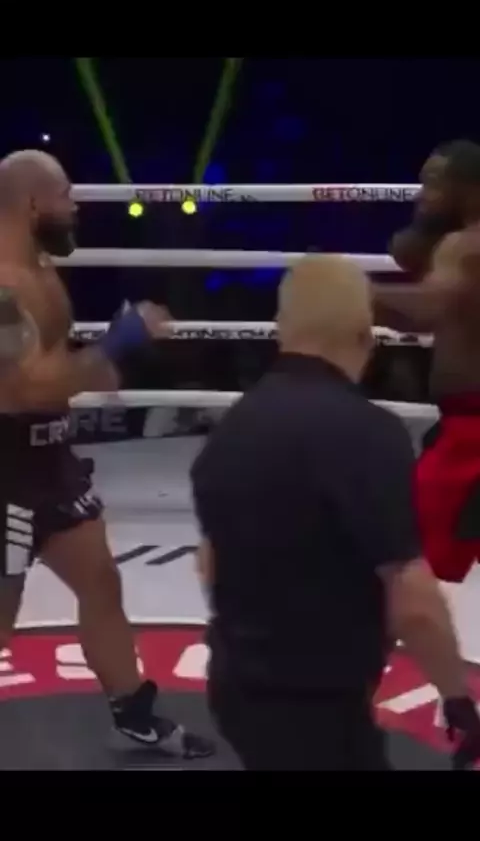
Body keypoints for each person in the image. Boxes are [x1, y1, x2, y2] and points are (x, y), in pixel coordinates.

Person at [190, 254, 480, 771]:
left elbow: (210, 562)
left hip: (236, 687)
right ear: (365, 337)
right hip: (320, 701)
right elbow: (411, 597)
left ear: (282, 328)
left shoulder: (230, 429)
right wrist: (456, 696)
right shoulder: (369, 434)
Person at [0, 149, 213, 759]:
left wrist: (101, 361)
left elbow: (52, 369)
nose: (76, 208)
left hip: (51, 459)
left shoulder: (40, 272)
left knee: (100, 581)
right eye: (66, 196)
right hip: (5, 468)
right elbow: (23, 389)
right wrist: (119, 343)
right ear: (33, 203)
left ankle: (133, 715)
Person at [377, 139, 480, 584]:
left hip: (472, 434)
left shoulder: (466, 245)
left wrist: (349, 291)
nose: (423, 195)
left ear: (470, 189)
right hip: (464, 425)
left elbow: (427, 308)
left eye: (435, 183)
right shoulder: (454, 244)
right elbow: (409, 254)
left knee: (409, 565)